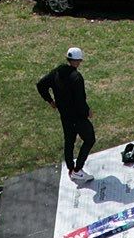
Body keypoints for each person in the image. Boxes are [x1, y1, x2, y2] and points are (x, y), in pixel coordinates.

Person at [36, 46, 93, 182]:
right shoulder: (76, 78)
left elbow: (41, 85)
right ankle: (77, 170)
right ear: (77, 61)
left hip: (64, 115)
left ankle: (70, 168)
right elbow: (80, 100)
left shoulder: (57, 72)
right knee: (90, 139)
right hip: (77, 117)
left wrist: (50, 101)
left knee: (69, 141)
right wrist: (87, 111)